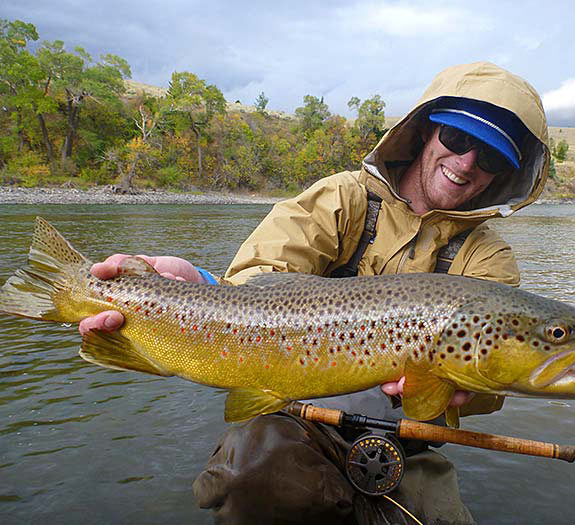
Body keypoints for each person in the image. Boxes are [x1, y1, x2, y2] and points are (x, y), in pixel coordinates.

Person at [79, 62, 550, 524]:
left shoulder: (489, 259)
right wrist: (199, 285)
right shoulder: (343, 199)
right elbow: (260, 280)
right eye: (459, 139)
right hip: (294, 425)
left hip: (406, 445)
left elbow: (496, 379)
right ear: (427, 131)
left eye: (489, 157)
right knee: (252, 479)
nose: (466, 163)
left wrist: (464, 389)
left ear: (504, 175)